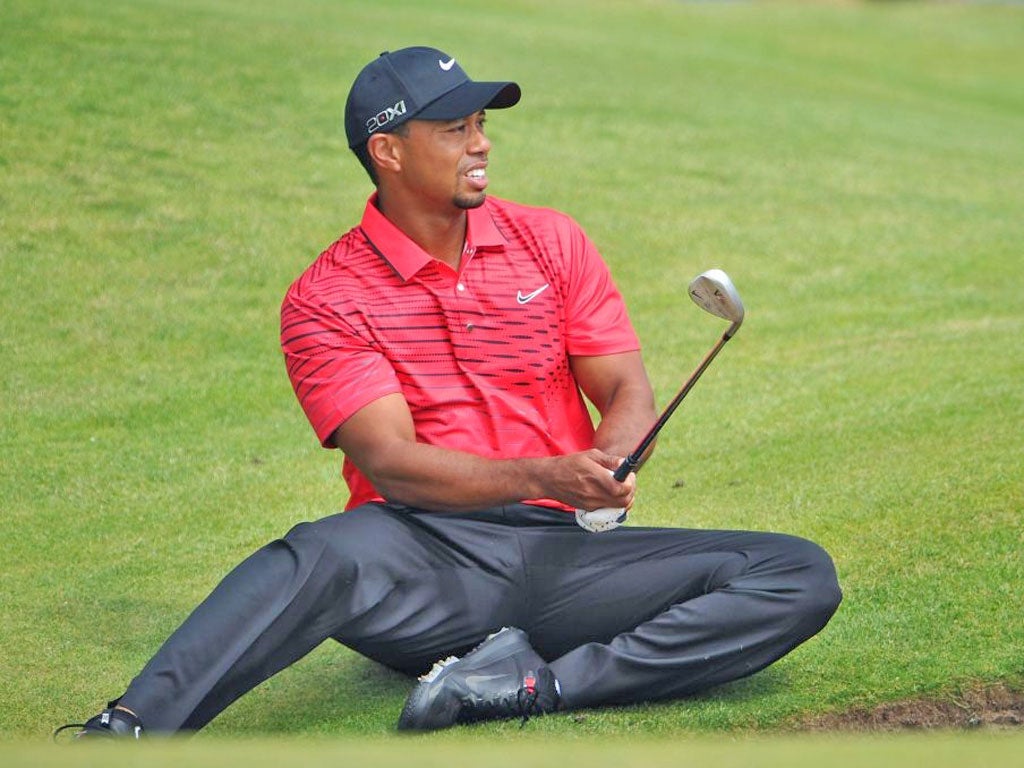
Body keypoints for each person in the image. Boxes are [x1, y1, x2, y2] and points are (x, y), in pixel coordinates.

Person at [59, 46, 841, 738]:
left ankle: (531, 685)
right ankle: (130, 728)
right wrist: (545, 472)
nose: (481, 143)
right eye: (454, 130)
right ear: (388, 151)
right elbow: (392, 464)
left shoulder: (550, 240)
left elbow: (623, 383)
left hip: (570, 553)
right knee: (318, 554)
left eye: (478, 123)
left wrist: (614, 454)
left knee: (796, 573)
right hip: (423, 560)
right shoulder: (328, 298)